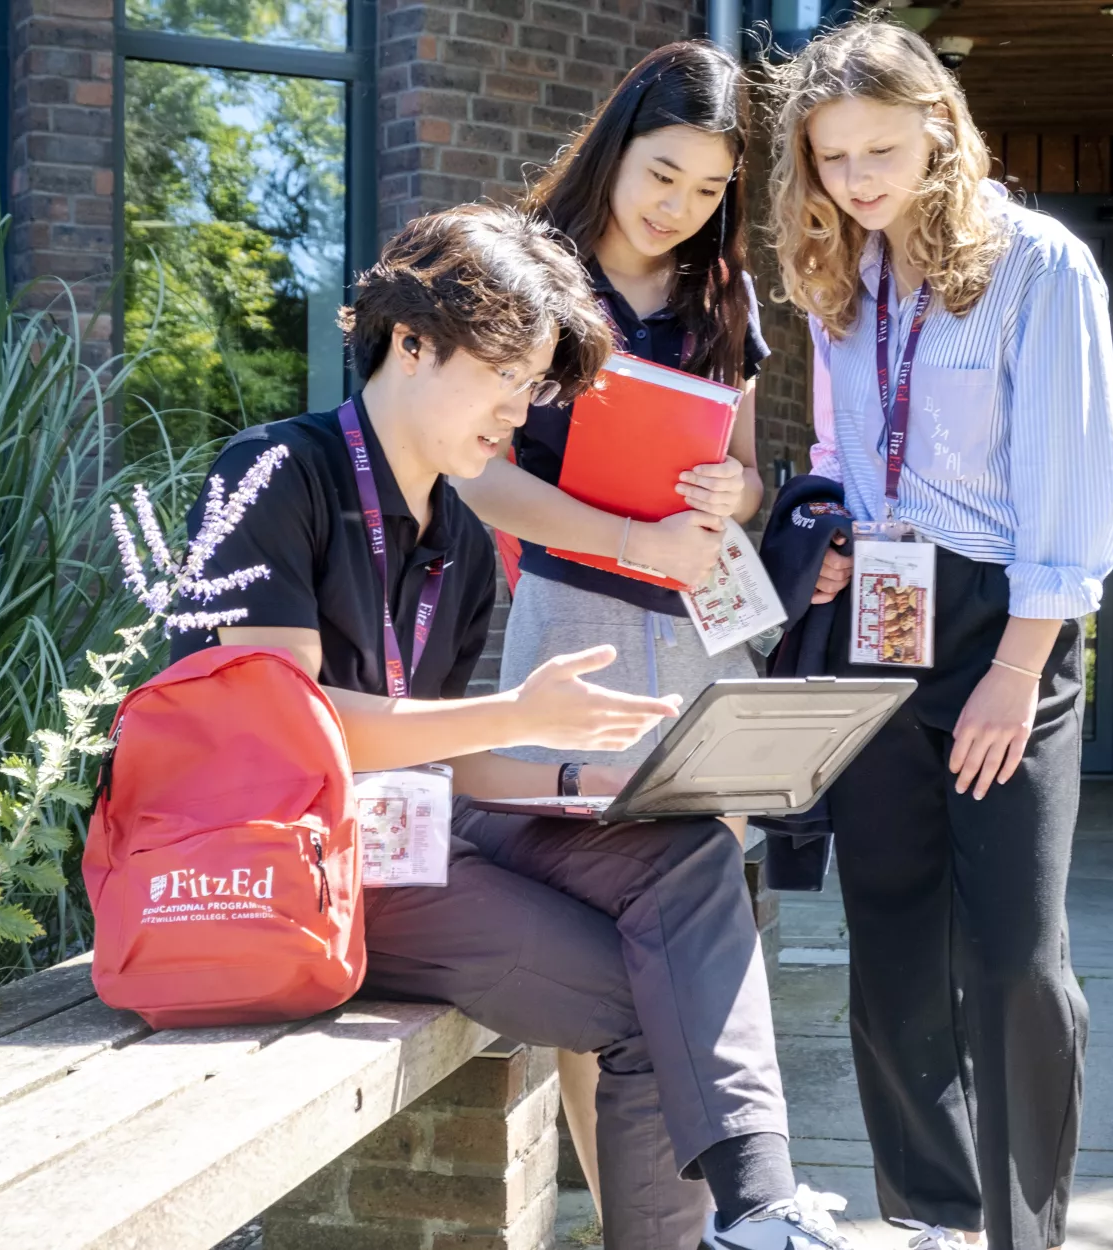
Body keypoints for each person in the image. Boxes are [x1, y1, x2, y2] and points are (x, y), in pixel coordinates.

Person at [170, 205, 854, 1250]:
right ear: (410, 341)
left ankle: (756, 1205)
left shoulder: (464, 541)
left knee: (681, 850)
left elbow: (442, 749)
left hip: (416, 829)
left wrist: (589, 778)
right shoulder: (273, 472)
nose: (523, 410)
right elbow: (276, 734)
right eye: (510, 376)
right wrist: (518, 714)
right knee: (643, 996)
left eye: (536, 383)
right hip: (293, 856)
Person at [768, 19, 1113, 1250]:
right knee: (891, 929)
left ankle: (1023, 1230)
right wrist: (823, 534)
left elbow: (1074, 494)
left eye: (880, 147)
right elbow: (837, 450)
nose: (859, 179)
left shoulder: (1039, 266)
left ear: (939, 128)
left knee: (1017, 951)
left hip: (1005, 620)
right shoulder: (837, 278)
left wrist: (1014, 672)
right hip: (879, 603)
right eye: (831, 159)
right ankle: (928, 1211)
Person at [449, 42, 770, 1213]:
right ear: (616, 140)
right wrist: (624, 538)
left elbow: (744, 475)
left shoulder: (720, 296)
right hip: (570, 631)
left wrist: (738, 496)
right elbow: (477, 476)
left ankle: (709, 1216)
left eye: (705, 191)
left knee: (697, 928)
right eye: (662, 172)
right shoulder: (531, 275)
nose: (678, 208)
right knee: (596, 932)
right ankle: (625, 1215)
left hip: (697, 641)